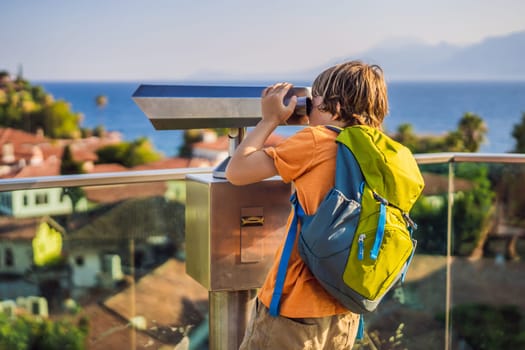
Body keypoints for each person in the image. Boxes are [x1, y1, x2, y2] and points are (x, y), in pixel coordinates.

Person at [225, 60, 389, 350]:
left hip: (295, 305)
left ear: (334, 108)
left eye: (315, 100)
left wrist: (270, 119)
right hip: (346, 305)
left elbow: (237, 172)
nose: (309, 107)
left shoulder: (318, 140)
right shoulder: (381, 149)